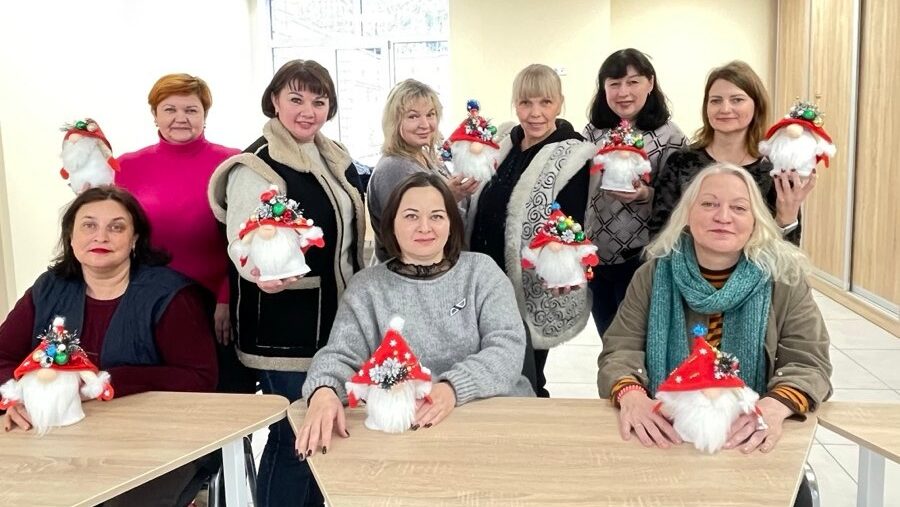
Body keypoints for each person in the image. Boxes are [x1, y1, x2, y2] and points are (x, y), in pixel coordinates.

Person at [597, 163, 831, 506]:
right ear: (687, 214)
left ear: (756, 220)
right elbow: (620, 349)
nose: (723, 217)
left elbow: (809, 362)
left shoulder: (784, 278)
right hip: (666, 431)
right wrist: (631, 393)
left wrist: (776, 406)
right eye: (708, 204)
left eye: (739, 207)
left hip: (748, 435)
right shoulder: (652, 274)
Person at [207, 59, 365, 507]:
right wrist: (259, 273)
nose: (307, 111)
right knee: (294, 438)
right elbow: (242, 241)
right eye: (296, 99)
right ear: (274, 101)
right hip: (285, 329)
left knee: (321, 437)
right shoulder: (256, 165)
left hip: (334, 322)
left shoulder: (332, 154)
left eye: (319, 101)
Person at [0, 186, 218, 506]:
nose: (100, 236)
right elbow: (3, 356)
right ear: (71, 237)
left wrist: (111, 381)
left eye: (116, 227)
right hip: (61, 437)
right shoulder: (48, 288)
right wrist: (16, 398)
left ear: (134, 240)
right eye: (89, 225)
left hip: (156, 440)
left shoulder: (170, 295)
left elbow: (200, 377)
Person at [296, 172, 534, 455]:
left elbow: (507, 348)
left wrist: (452, 387)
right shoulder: (367, 287)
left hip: (492, 418)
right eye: (411, 216)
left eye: (437, 216)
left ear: (451, 223)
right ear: (391, 224)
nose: (425, 227)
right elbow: (340, 355)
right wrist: (323, 391)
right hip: (406, 432)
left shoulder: (481, 272)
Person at [116, 73, 254, 394]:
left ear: (205, 115)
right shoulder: (125, 167)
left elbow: (246, 235)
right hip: (151, 303)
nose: (181, 118)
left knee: (225, 396)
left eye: (191, 110)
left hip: (217, 304)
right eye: (170, 109)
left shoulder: (233, 163)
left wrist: (226, 297)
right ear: (155, 115)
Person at [466, 63, 597, 398]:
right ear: (516, 104)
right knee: (489, 365)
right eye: (526, 103)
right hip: (486, 277)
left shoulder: (572, 154)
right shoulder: (504, 144)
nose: (535, 113)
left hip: (532, 283)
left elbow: (572, 226)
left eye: (545, 102)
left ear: (560, 103)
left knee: (527, 373)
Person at [582, 48, 688, 337]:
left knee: (635, 341)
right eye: (614, 84)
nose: (623, 92)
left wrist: (646, 195)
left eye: (633, 82)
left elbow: (682, 200)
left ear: (650, 83)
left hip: (642, 258)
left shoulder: (670, 136)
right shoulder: (593, 132)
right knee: (608, 338)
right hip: (597, 256)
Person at [650, 61, 813, 245]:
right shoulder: (681, 161)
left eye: (737, 100)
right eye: (716, 100)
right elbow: (659, 236)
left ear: (757, 106)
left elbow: (789, 252)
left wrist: (786, 219)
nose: (725, 109)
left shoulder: (775, 169)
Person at [367, 79, 477, 262]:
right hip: (412, 273)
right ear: (394, 122)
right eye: (413, 116)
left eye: (430, 114)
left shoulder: (427, 157)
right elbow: (411, 233)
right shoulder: (395, 168)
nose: (425, 124)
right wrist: (447, 197)